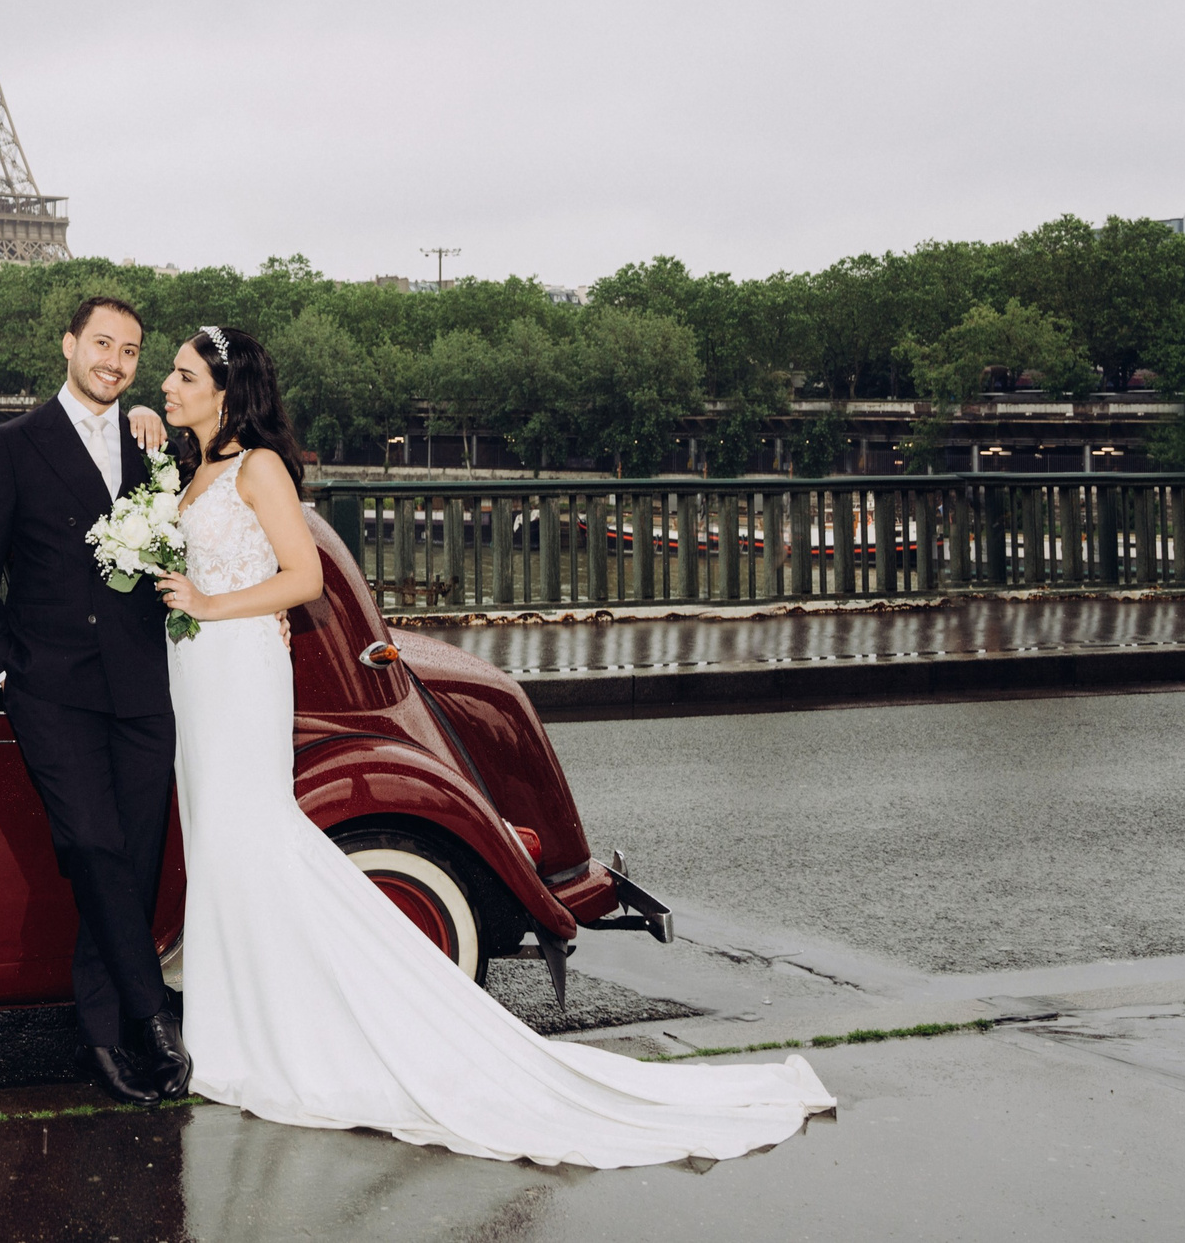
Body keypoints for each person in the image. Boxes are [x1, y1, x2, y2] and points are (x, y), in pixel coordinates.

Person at [154, 324, 836, 1167]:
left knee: (252, 840)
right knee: (222, 850)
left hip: (235, 665)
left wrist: (208, 605)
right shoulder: (197, 469)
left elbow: (303, 579)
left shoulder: (258, 467)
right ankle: (240, 1023)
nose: (168, 384)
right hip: (201, 675)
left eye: (182, 374)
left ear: (225, 389)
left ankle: (281, 1032)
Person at [0, 296, 192, 1107]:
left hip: (141, 688)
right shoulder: (12, 447)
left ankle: (103, 1030)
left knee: (131, 861)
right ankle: (152, 1016)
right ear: (68, 345)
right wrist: (5, 678)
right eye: (101, 344)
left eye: (130, 351)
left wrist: (156, 427)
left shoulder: (151, 445)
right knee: (92, 848)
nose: (115, 362)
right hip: (51, 690)